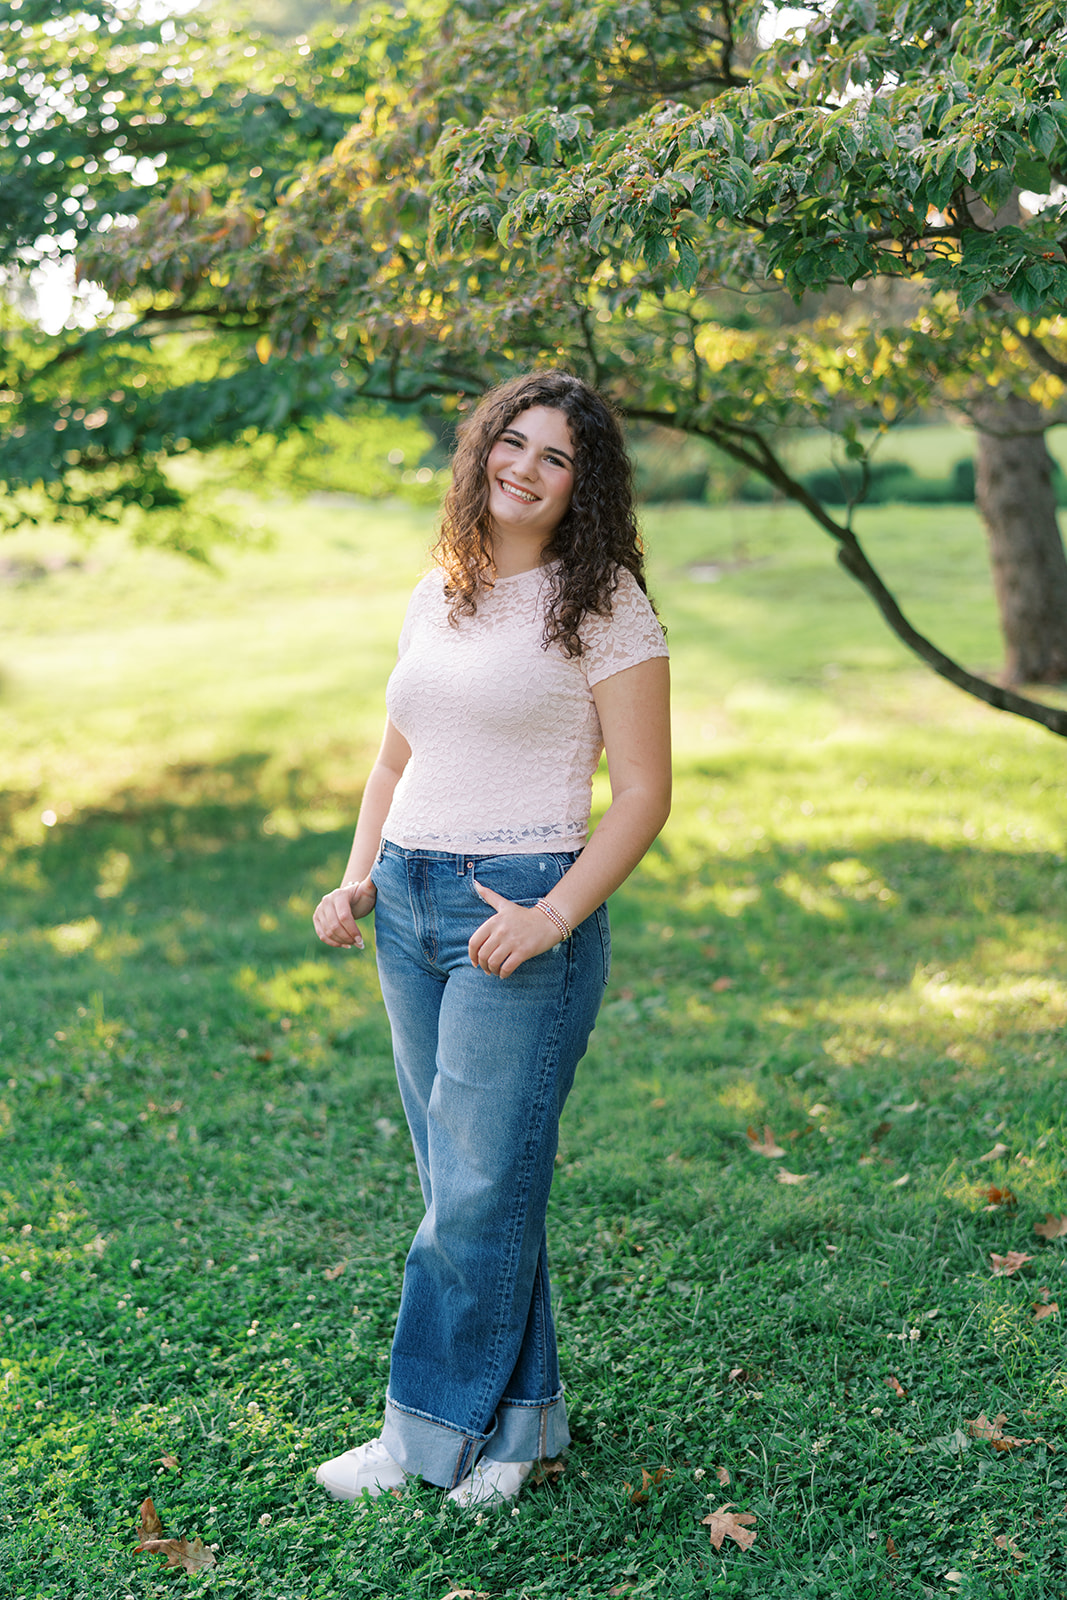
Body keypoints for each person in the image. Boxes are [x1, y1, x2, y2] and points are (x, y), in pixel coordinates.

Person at [311, 369, 671, 1509]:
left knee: (473, 1187)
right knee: (473, 1178)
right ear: (480, 452)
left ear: (584, 483)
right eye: (511, 443)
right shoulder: (441, 590)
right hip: (407, 901)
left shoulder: (602, 596)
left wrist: (554, 913)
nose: (523, 466)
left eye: (554, 456)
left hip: (518, 905)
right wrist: (357, 875)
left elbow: (643, 792)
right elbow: (392, 755)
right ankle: (521, 1430)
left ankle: (420, 1437)